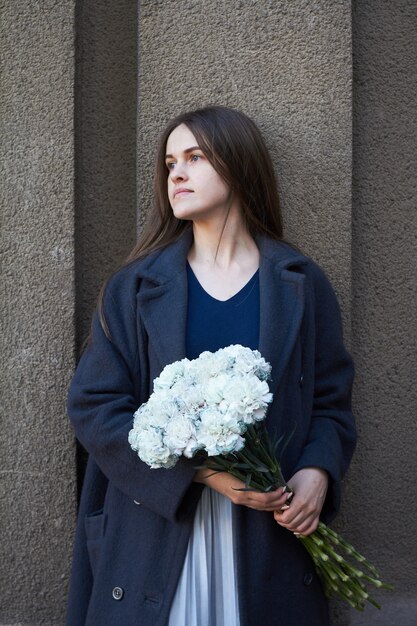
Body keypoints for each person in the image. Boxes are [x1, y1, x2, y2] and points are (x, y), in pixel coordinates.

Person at [66, 106, 356, 626]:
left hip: (270, 541)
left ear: (240, 165)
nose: (175, 172)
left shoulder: (301, 283)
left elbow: (331, 404)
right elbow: (94, 407)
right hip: (156, 535)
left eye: (194, 157)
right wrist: (205, 473)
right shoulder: (134, 288)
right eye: (170, 161)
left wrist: (317, 472)